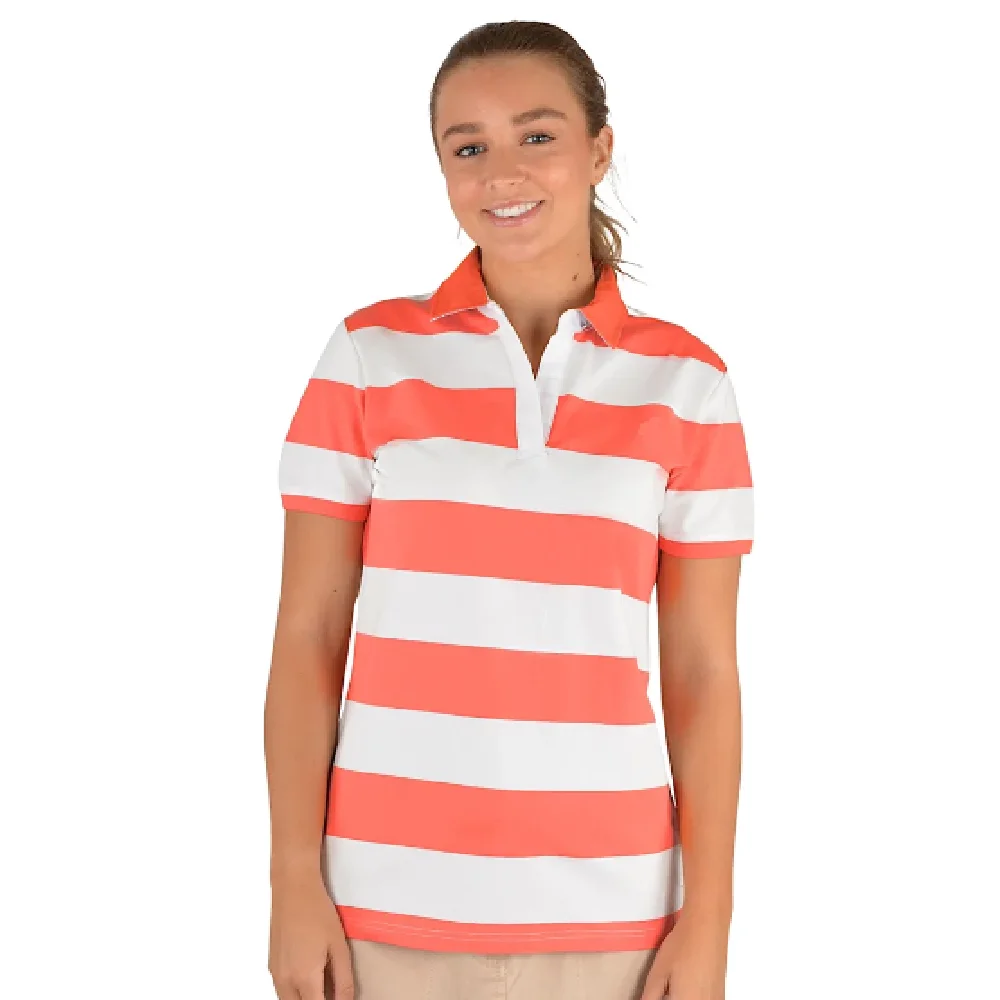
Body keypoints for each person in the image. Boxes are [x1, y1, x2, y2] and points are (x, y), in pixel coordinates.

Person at [264, 19, 753, 1000]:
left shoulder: (688, 383)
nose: (502, 173)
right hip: (380, 907)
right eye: (468, 146)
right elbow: (308, 637)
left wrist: (709, 919)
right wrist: (291, 884)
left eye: (536, 135)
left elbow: (704, 672)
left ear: (599, 150)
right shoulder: (366, 357)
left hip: (615, 913)